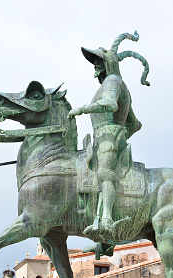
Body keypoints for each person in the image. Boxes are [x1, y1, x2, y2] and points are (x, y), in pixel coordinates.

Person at [69, 31, 150, 237]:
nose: (95, 65)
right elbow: (135, 124)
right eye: (95, 61)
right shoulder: (112, 84)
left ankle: (106, 218)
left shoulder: (113, 81)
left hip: (108, 137)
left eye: (99, 61)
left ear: (109, 64)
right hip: (102, 138)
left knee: (105, 173)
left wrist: (83, 109)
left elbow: (110, 103)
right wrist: (121, 136)